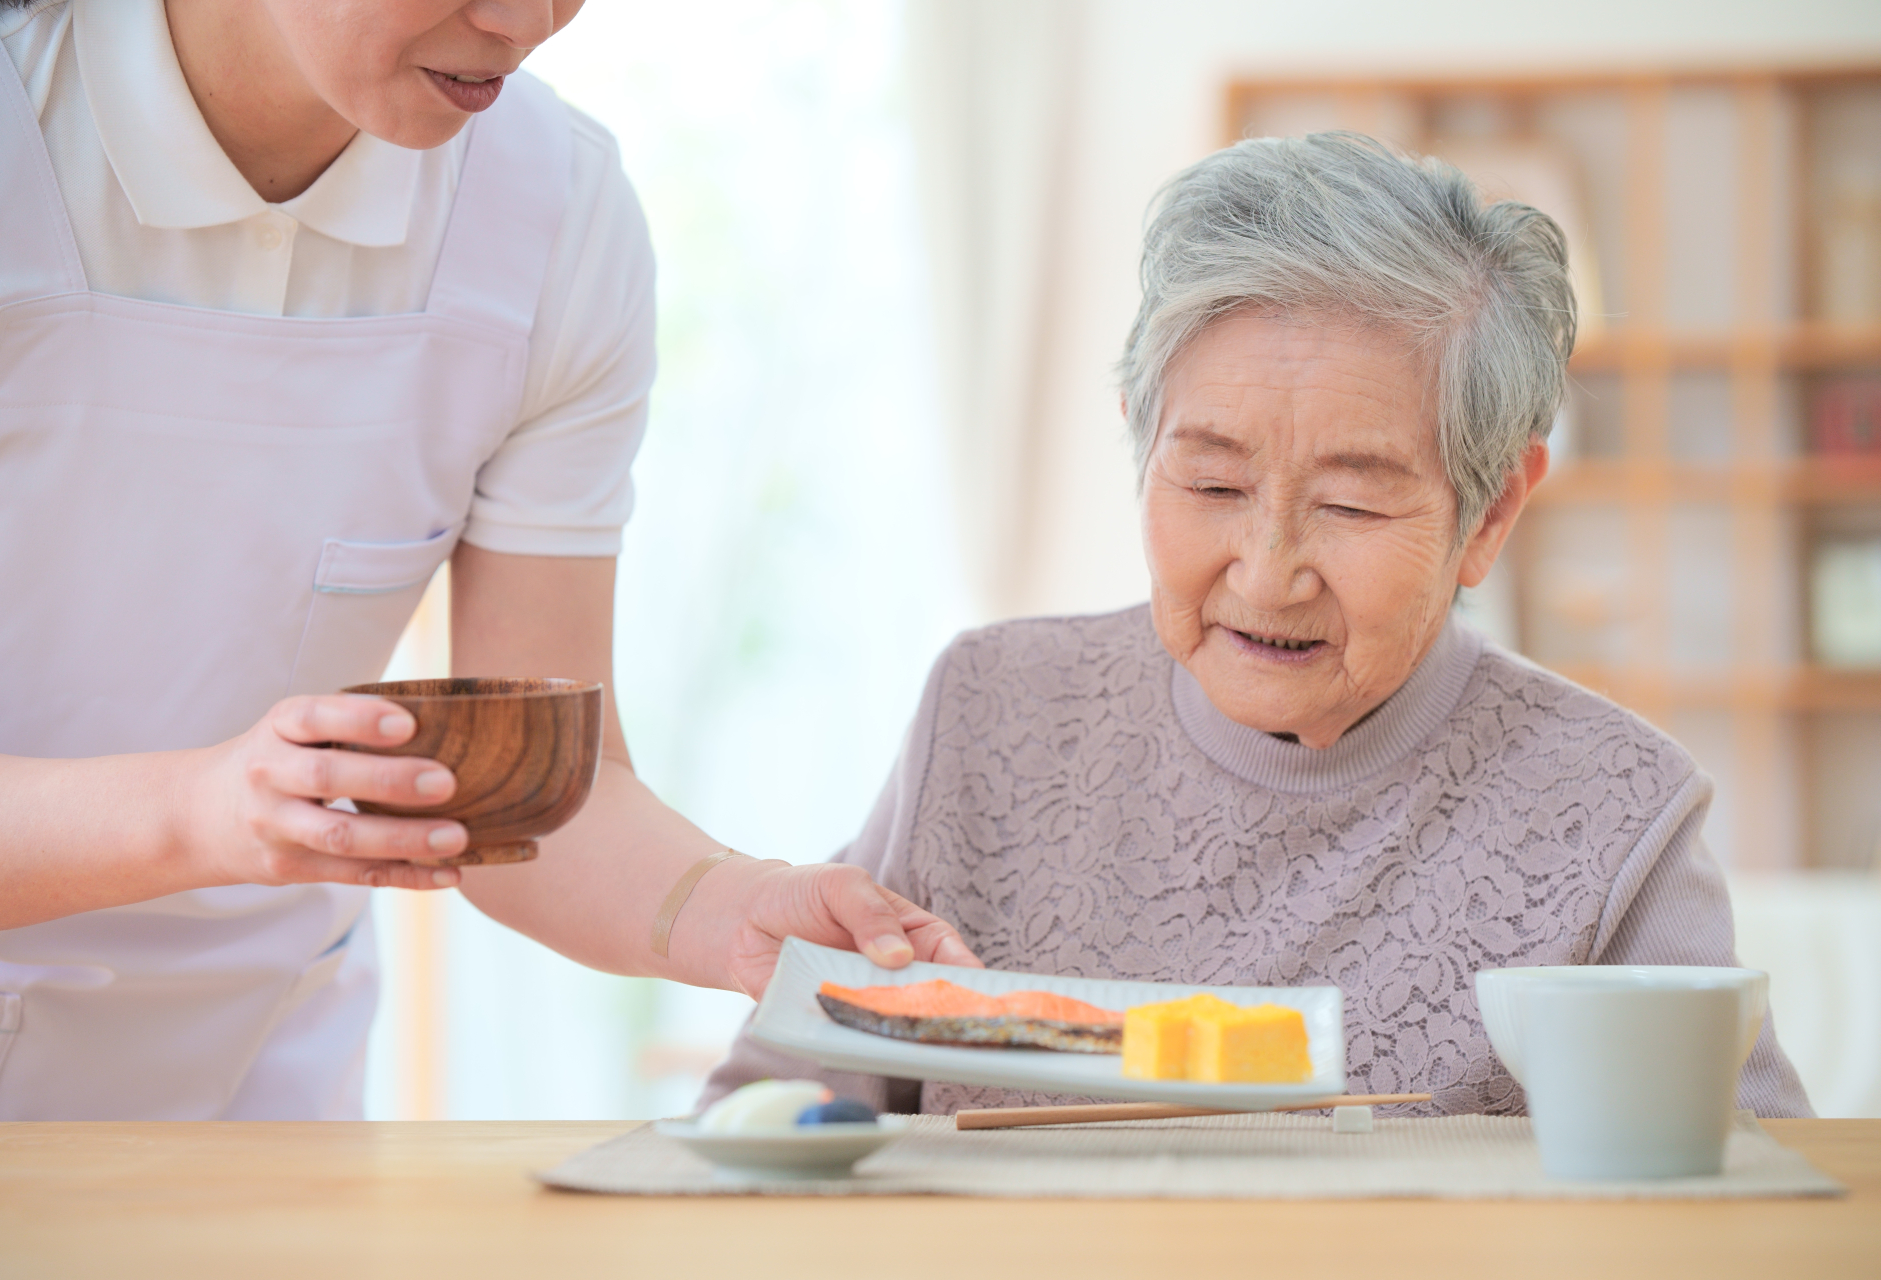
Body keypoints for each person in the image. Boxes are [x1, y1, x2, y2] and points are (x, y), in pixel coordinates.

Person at [0, 0, 974, 1122]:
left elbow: (533, 798)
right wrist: (202, 809)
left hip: (257, 1088)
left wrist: (729, 907)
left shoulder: (552, 211)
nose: (524, 20)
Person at [702, 133, 1813, 1118]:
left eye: (1351, 502)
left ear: (1492, 512)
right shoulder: (993, 708)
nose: (1268, 572)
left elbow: (1752, 1206)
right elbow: (780, 1112)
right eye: (1214, 484)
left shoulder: (1614, 808)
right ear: (1142, 441)